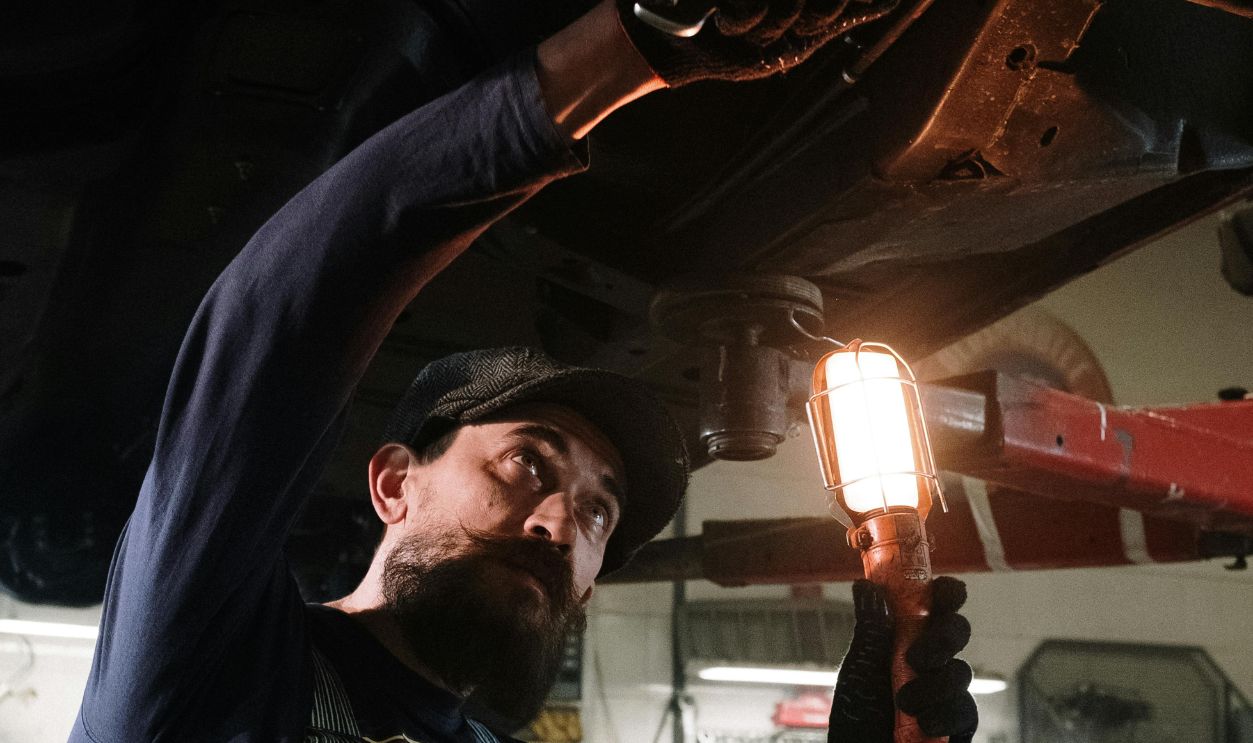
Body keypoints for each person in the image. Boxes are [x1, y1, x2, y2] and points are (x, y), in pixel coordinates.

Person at [68, 0, 978, 740]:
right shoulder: (210, 656)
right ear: (392, 483)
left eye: (598, 511)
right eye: (527, 464)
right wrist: (632, 46)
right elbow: (279, 324)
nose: (558, 524)